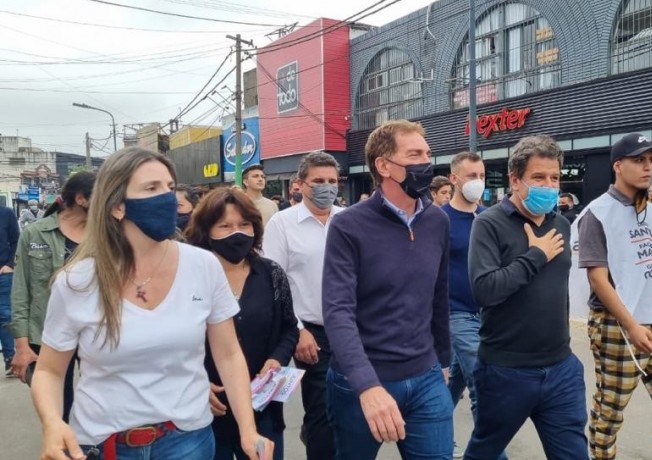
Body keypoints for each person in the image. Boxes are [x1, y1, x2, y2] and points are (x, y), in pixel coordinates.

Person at [29, 148, 273, 460]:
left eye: (170, 188)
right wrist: (52, 423)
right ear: (117, 206)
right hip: (103, 444)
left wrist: (247, 428)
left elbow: (227, 354)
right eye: (151, 188)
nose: (167, 198)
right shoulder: (78, 281)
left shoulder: (203, 266)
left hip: (188, 441)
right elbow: (49, 371)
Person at [322, 120, 453, 459]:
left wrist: (444, 359)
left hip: (426, 377)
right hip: (361, 380)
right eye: (414, 155)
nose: (426, 162)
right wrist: (366, 386)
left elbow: (438, 295)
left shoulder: (437, 220)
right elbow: (337, 311)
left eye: (427, 153)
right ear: (383, 165)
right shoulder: (348, 225)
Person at [466, 135, 587, 460]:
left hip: (561, 367)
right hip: (506, 370)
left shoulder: (560, 223)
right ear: (515, 180)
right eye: (539, 177)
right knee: (485, 452)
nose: (549, 185)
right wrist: (535, 255)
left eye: (554, 178)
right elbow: (485, 290)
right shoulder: (489, 224)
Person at [577, 132, 652, 460]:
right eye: (639, 160)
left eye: (650, 161)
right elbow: (598, 279)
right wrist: (631, 324)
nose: (647, 168)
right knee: (610, 412)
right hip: (616, 325)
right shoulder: (597, 213)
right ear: (618, 165)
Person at [186, 187, 299, 460]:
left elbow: (289, 328)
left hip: (262, 408)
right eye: (224, 226)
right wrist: (194, 381)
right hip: (207, 410)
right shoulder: (188, 276)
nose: (236, 233)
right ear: (206, 230)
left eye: (244, 224)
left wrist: (277, 359)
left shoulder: (271, 274)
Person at [263, 152, 344, 460]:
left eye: (332, 181)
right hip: (312, 332)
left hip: (350, 328)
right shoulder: (282, 224)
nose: (327, 187)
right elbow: (275, 283)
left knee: (349, 405)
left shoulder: (347, 220)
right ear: (299, 184)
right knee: (322, 406)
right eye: (318, 181)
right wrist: (297, 331)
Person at [9, 172, 94, 420]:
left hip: (95, 331)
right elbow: (21, 291)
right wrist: (22, 346)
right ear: (81, 199)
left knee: (99, 401)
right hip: (48, 333)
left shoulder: (106, 234)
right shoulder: (35, 233)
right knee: (58, 406)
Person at [439, 152, 498, 459]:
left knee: (445, 391)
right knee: (482, 384)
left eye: (481, 176)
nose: (477, 182)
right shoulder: (439, 220)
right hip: (455, 313)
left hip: (489, 314)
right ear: (454, 179)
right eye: (471, 176)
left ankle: (431, 441)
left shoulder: (491, 217)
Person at [0, 203, 19, 377]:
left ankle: (10, 357)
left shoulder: (6, 213)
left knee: (5, 314)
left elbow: (16, 240)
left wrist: (10, 264)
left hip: (3, 273)